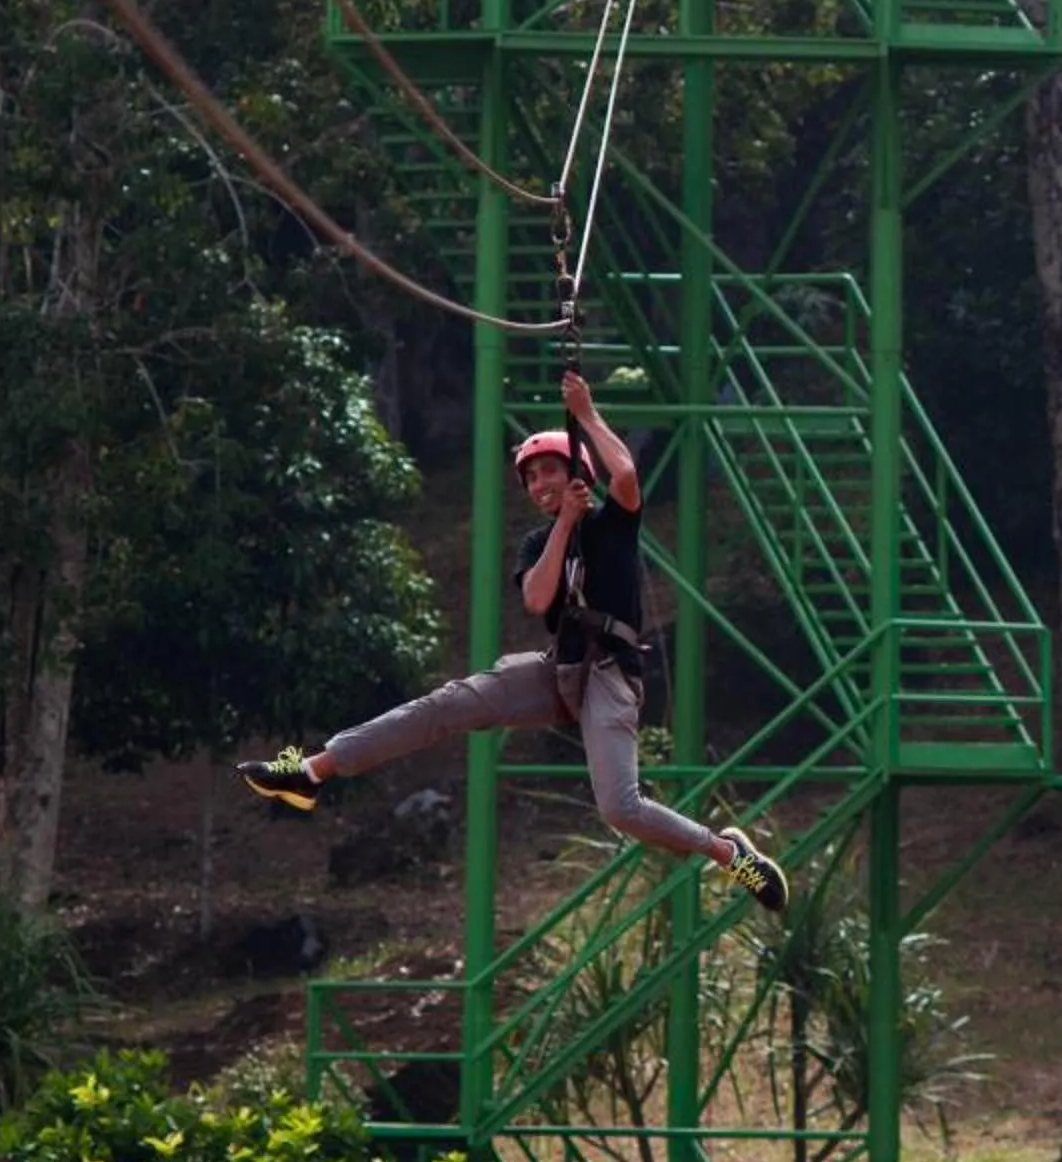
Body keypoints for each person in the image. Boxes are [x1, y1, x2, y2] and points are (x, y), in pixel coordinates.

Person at [237, 366, 786, 912]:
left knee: (619, 808)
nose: (541, 484)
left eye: (551, 471)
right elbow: (538, 599)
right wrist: (564, 525)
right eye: (532, 478)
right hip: (558, 669)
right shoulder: (538, 543)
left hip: (609, 675)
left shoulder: (613, 524)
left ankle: (727, 853)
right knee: (446, 704)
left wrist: (587, 414)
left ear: (578, 475)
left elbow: (625, 478)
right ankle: (310, 771)